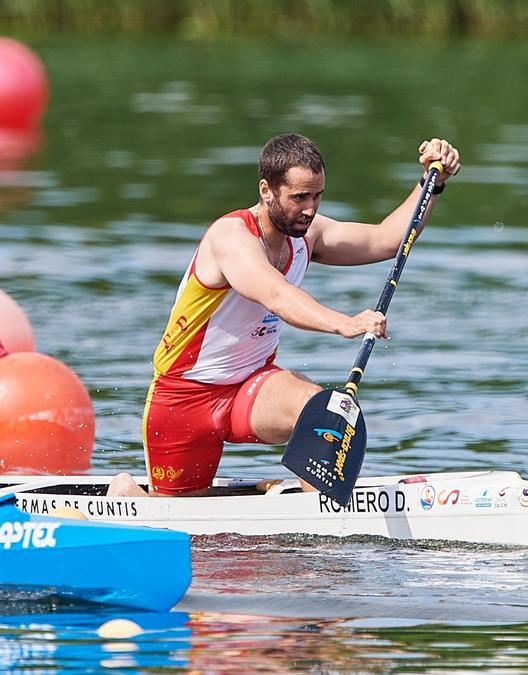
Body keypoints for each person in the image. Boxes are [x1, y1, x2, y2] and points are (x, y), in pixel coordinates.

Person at [109, 134, 461, 497]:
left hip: (249, 387)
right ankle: (125, 490)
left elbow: (388, 239)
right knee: (177, 522)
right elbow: (277, 295)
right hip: (184, 397)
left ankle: (324, 523)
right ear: (267, 190)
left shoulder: (308, 233)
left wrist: (431, 183)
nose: (310, 209)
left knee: (322, 415)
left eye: (317, 196)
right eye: (299, 198)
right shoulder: (231, 237)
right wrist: (346, 323)